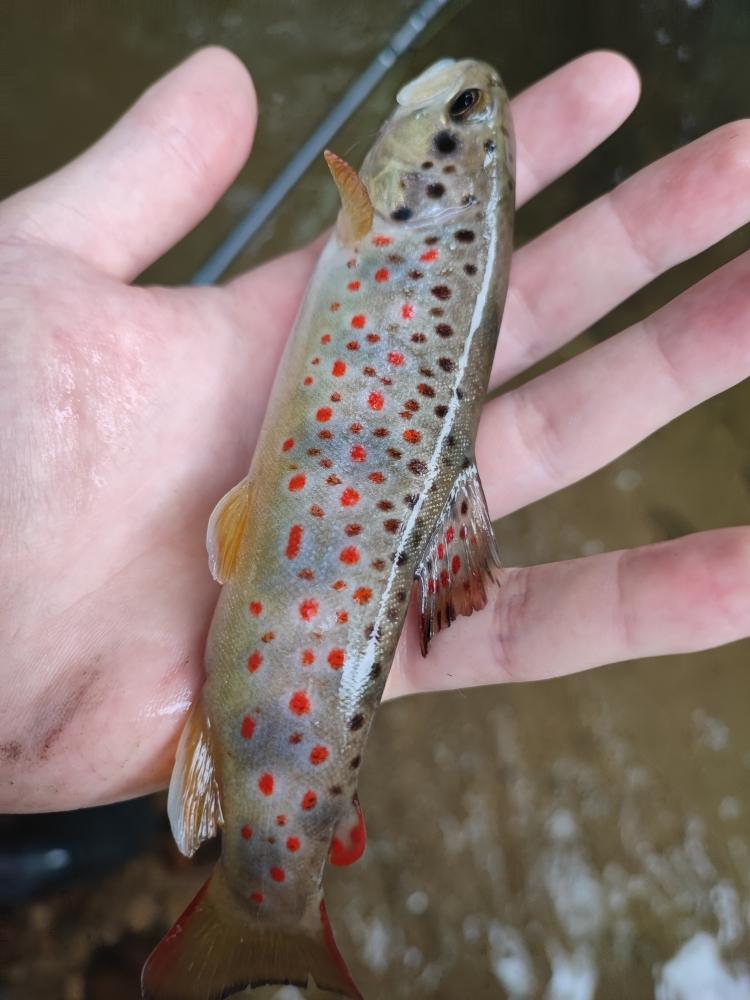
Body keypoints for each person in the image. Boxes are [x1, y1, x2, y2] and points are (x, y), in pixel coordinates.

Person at [1, 47, 747, 814]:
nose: (463, 95)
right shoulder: (403, 225)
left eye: (459, 115)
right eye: (467, 109)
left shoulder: (371, 212)